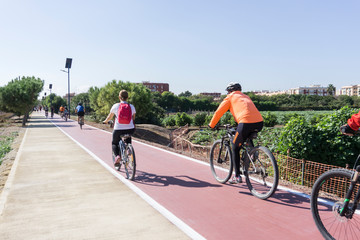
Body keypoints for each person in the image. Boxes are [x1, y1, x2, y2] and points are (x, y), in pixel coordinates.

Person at [208, 82, 264, 184]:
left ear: (230, 91)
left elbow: (219, 112)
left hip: (245, 122)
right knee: (246, 134)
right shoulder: (245, 96)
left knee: (235, 147)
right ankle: (252, 151)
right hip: (259, 122)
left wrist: (211, 125)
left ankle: (237, 176)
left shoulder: (230, 97)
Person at [103, 90, 136, 167]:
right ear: (127, 98)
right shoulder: (131, 106)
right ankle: (128, 149)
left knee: (114, 143)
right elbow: (133, 118)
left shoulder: (116, 106)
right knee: (128, 137)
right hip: (130, 128)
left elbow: (109, 117)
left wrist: (105, 121)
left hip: (118, 129)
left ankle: (117, 156)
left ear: (119, 97)